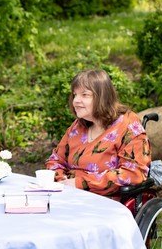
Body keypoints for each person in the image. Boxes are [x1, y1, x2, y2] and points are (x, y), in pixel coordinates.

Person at [45, 69, 151, 198]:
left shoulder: (128, 124)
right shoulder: (78, 126)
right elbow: (55, 160)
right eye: (75, 95)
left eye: (85, 95)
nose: (76, 101)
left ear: (103, 97)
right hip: (70, 195)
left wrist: (80, 183)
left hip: (105, 202)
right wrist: (62, 182)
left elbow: (134, 173)